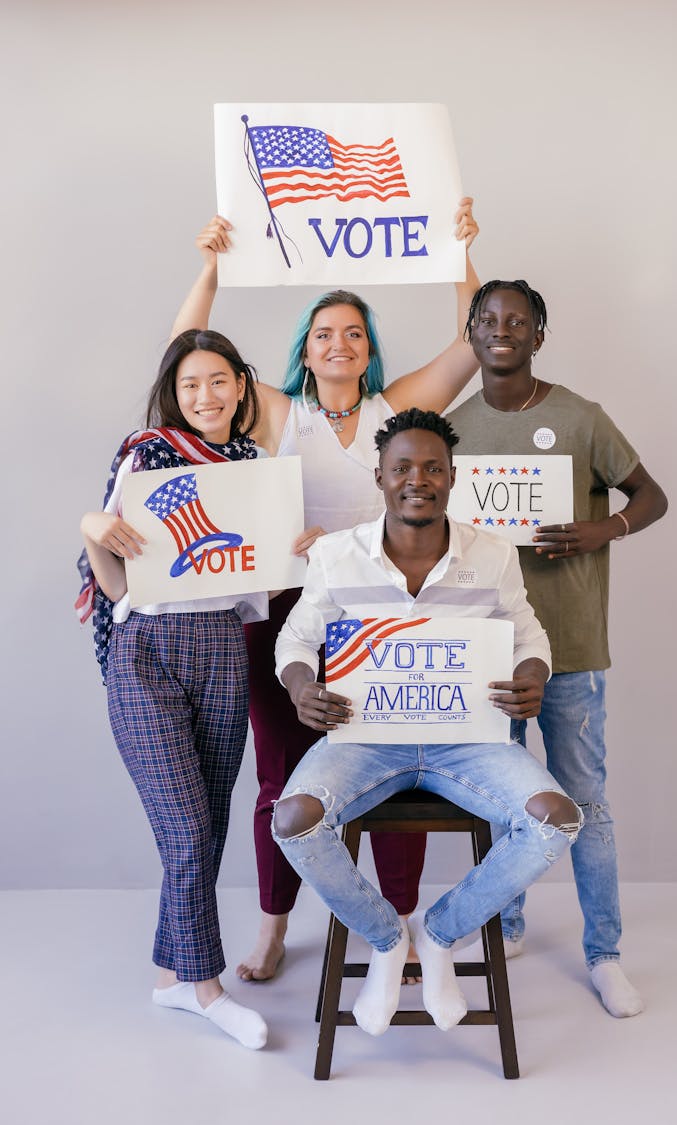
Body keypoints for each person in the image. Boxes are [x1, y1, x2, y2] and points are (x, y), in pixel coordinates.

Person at [171, 203, 480, 982]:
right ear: (303, 352)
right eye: (323, 332)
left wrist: (461, 254)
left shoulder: (397, 408)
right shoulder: (278, 410)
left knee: (392, 769)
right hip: (282, 620)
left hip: (382, 617)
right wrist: (209, 269)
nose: (338, 342)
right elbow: (185, 355)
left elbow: (472, 345)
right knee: (280, 777)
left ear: (369, 348)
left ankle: (401, 922)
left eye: (352, 331)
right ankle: (275, 927)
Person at [270, 409, 582, 1036]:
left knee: (556, 819)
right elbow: (295, 643)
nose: (419, 479)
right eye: (403, 468)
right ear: (381, 479)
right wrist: (303, 687)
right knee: (293, 820)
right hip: (366, 738)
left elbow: (529, 634)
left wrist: (533, 676)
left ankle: (440, 933)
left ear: (453, 476)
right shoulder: (336, 556)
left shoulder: (491, 555)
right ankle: (388, 939)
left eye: (433, 468)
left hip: (464, 741)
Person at [448, 280, 668, 1017]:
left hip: (571, 646)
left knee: (584, 802)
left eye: (517, 320)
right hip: (487, 651)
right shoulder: (451, 427)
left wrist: (603, 529)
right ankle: (505, 925)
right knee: (503, 802)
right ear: (472, 333)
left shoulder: (580, 417)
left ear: (538, 335)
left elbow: (650, 495)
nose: (501, 329)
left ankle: (604, 955)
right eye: (488, 319)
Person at [76, 330, 272, 1050]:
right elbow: (115, 581)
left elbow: (257, 583)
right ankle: (207, 988)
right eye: (191, 384)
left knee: (208, 824)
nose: (205, 396)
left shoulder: (254, 466)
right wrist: (93, 526)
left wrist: (295, 546)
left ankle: (169, 977)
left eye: (219, 381)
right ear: (174, 391)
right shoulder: (149, 453)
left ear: (241, 386)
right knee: (186, 831)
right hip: (148, 651)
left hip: (223, 643)